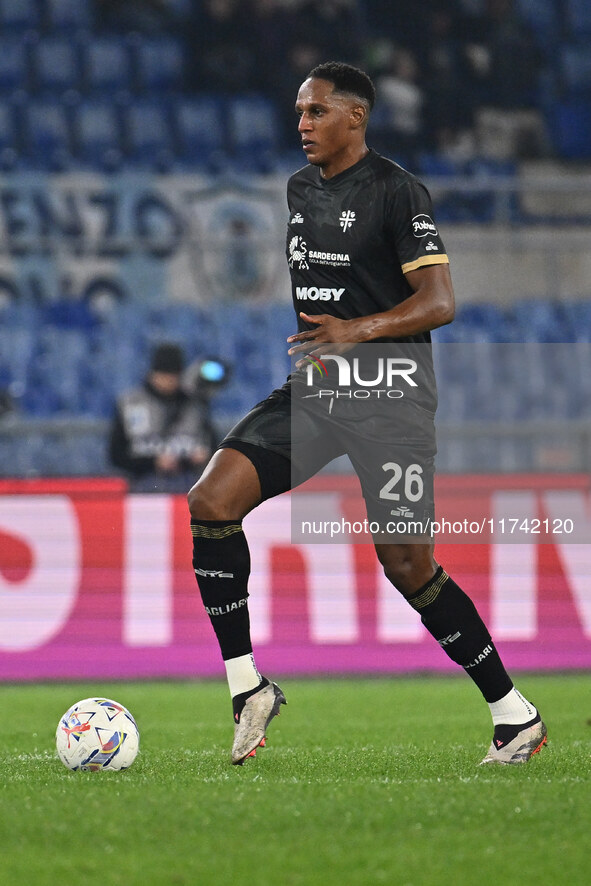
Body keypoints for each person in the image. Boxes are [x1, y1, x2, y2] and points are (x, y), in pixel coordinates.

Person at [187, 61, 546, 766]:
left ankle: (514, 716)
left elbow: (439, 302)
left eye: (317, 112)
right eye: (299, 112)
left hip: (392, 397)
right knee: (210, 500)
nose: (302, 125)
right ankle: (247, 689)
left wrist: (357, 329)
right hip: (319, 388)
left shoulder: (395, 190)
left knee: (408, 564)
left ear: (355, 117)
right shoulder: (298, 189)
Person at [110, 342, 214, 492]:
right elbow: (116, 455)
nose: (169, 381)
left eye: (173, 376)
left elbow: (213, 448)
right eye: (164, 375)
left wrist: (201, 457)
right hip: (144, 484)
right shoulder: (130, 403)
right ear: (153, 374)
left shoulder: (195, 404)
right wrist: (153, 463)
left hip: (189, 482)